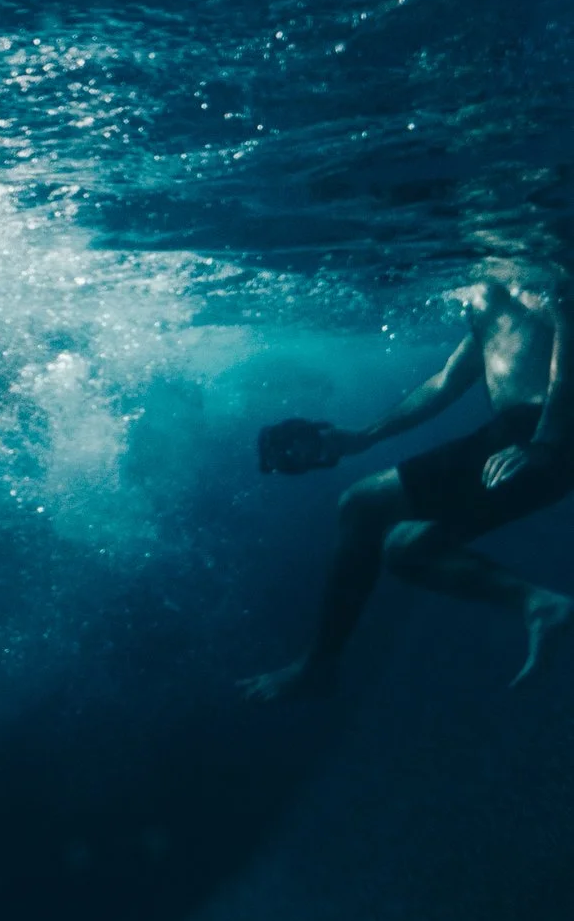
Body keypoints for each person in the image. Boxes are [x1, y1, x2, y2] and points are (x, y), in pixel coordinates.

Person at [242, 259, 574, 698]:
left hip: (544, 434)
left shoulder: (550, 274)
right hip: (531, 441)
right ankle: (539, 605)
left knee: (361, 503)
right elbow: (445, 382)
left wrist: (545, 442)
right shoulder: (487, 291)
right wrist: (365, 436)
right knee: (405, 549)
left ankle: (318, 664)